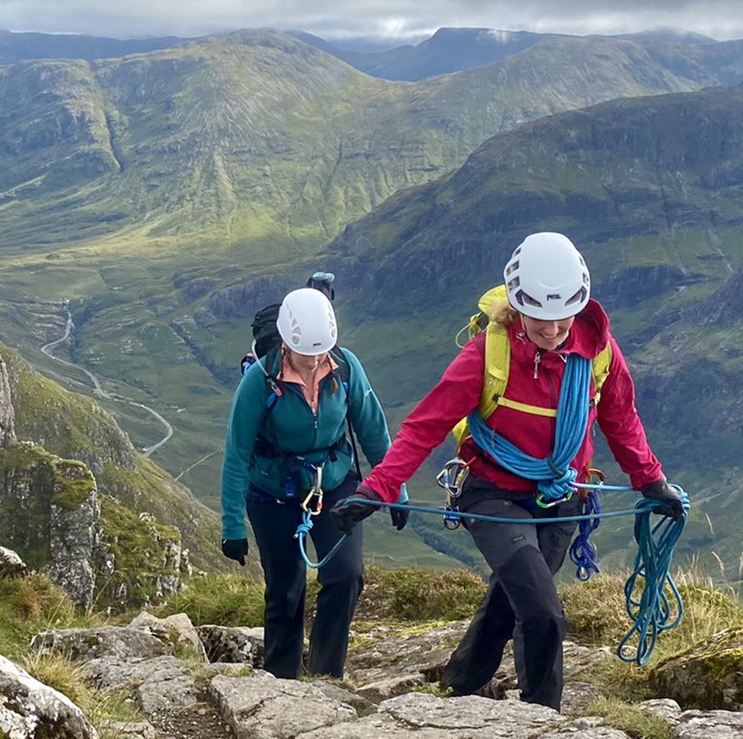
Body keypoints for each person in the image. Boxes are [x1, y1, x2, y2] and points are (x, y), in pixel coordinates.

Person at [330, 231, 685, 710]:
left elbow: (621, 420)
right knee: (544, 613)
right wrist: (378, 487)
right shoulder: (487, 354)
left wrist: (652, 482)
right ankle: (541, 716)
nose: (555, 328)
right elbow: (424, 426)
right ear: (519, 306)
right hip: (492, 492)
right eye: (541, 317)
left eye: (564, 316)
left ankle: (458, 685)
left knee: (510, 598)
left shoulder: (599, 351)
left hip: (564, 498)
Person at [220, 285, 392, 679]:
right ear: (285, 342)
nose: (315, 361)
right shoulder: (259, 382)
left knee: (346, 575)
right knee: (285, 588)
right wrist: (232, 527)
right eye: (305, 352)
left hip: (334, 484)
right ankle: (281, 681)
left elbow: (373, 430)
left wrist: (392, 487)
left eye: (321, 351)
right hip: (272, 494)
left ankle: (326, 674)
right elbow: (237, 454)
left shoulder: (346, 367)